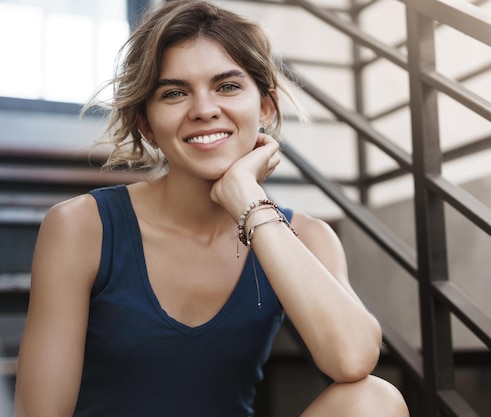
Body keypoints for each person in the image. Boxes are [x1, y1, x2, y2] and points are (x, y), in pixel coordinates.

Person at [14, 1, 410, 416]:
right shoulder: (81, 226)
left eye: (227, 86)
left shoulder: (306, 237)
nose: (204, 109)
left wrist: (249, 200)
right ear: (146, 123)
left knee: (373, 401)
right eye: (174, 93)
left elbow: (353, 360)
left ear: (265, 108)